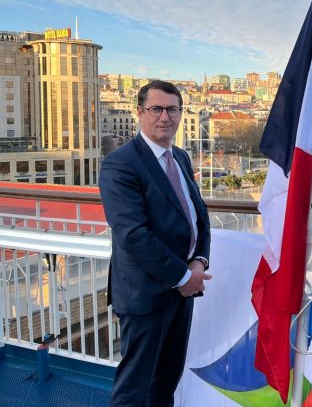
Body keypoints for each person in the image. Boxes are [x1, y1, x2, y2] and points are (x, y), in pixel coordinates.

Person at [100, 80, 212, 406]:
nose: (165, 117)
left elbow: (198, 217)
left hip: (181, 293)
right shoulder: (121, 163)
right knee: (135, 390)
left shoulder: (181, 158)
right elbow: (132, 233)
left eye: (172, 109)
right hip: (144, 294)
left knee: (166, 382)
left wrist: (199, 260)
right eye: (156, 109)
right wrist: (183, 276)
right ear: (140, 112)